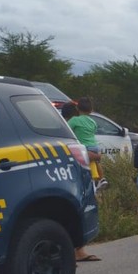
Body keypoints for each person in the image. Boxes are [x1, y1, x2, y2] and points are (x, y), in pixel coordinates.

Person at [61, 101, 101, 262]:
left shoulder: (74, 128)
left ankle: (78, 250)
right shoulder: (74, 131)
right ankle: (74, 250)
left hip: (85, 174)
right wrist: (94, 156)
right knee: (79, 209)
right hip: (78, 175)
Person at [67, 97, 106, 191]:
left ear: (77, 108)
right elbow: (93, 131)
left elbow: (66, 128)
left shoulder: (74, 120)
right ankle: (102, 178)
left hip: (84, 147)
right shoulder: (93, 122)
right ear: (91, 110)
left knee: (87, 164)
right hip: (95, 147)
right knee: (95, 161)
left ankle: (94, 181)